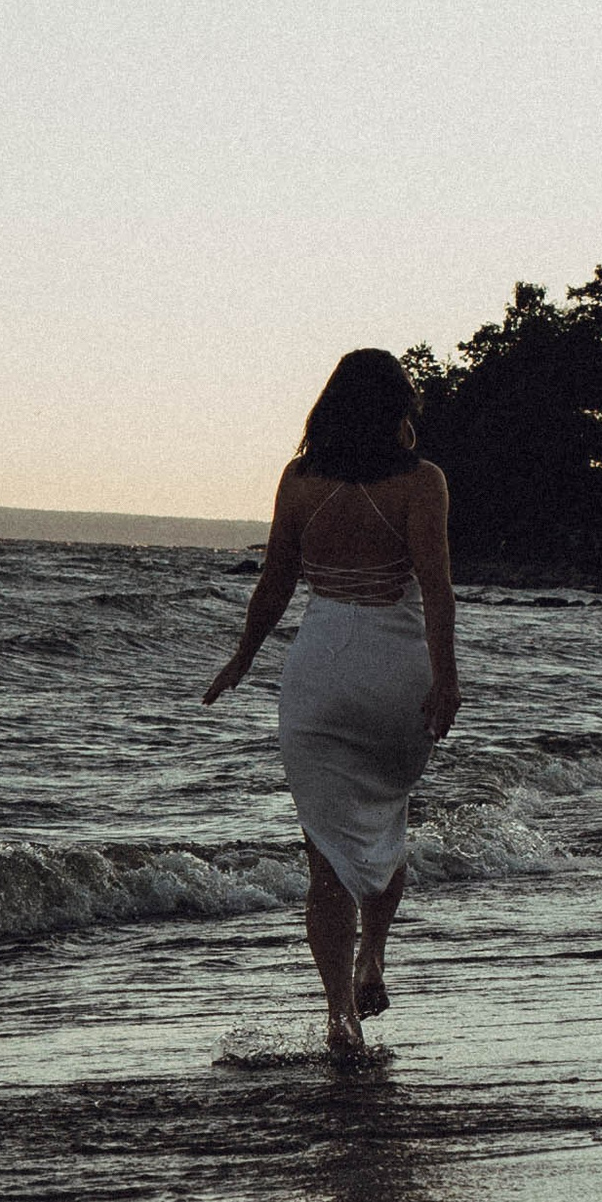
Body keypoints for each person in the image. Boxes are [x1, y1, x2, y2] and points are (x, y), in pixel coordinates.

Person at [203, 350, 460, 1059]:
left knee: (325, 855)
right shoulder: (423, 483)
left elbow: (276, 584)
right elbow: (436, 588)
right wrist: (447, 678)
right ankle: (372, 952)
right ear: (398, 407)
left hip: (318, 676)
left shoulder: (299, 480)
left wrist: (243, 658)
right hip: (395, 673)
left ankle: (339, 1016)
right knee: (387, 820)